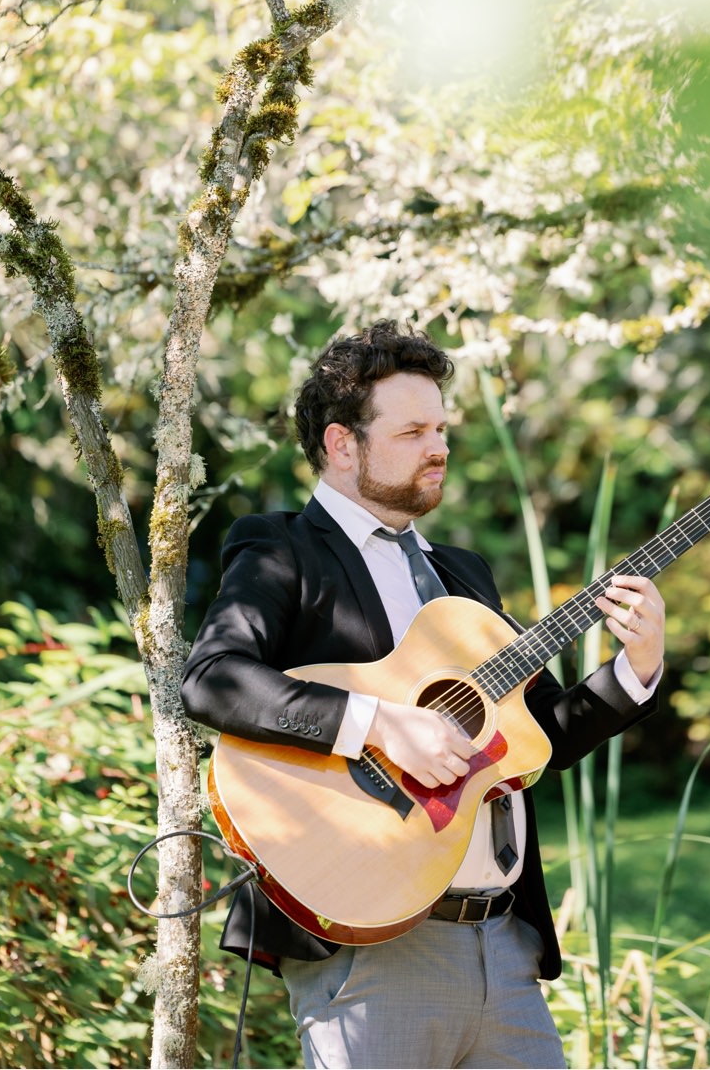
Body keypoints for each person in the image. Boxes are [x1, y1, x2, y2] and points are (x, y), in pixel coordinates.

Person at [182, 321, 665, 1068]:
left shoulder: (465, 575)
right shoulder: (281, 550)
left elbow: (535, 740)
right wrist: (379, 724)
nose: (439, 446)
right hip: (368, 951)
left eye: (441, 428)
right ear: (343, 445)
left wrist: (637, 667)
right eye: (413, 431)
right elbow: (213, 679)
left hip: (503, 948)